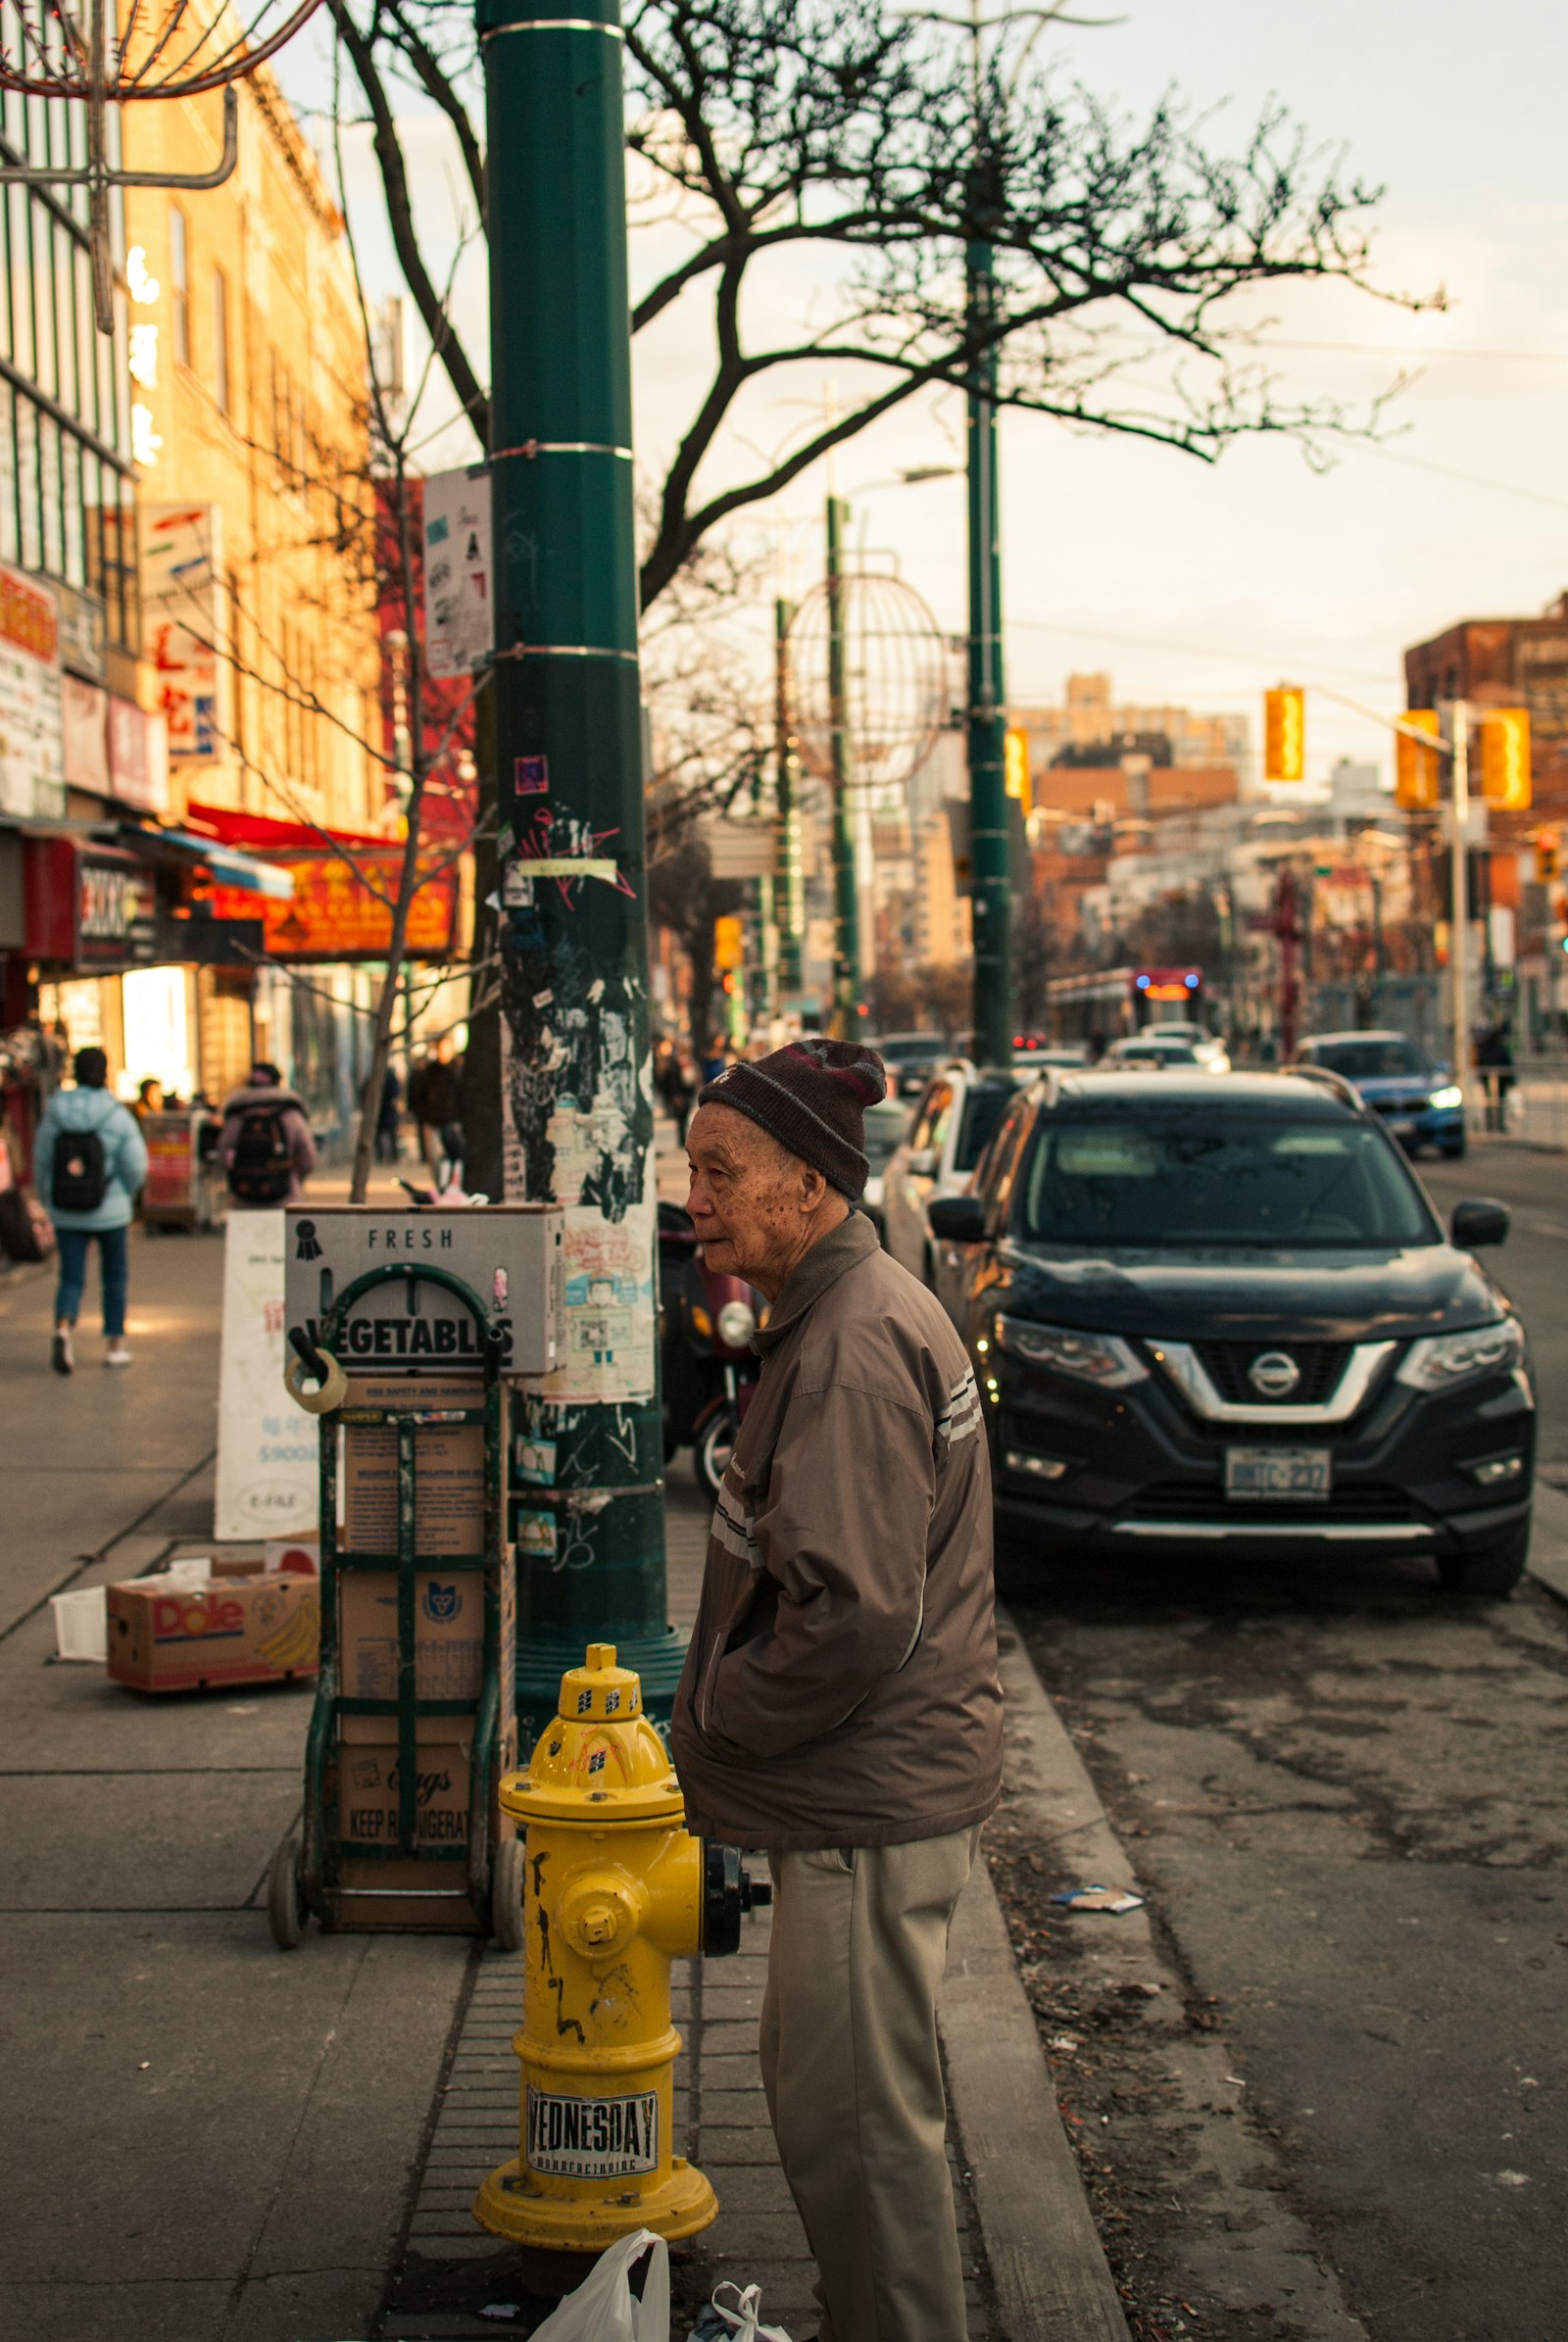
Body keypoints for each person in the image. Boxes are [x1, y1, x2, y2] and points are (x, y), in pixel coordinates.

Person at [670, 1039, 1002, 2342]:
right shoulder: (844, 1315)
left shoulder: (852, 1348)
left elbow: (855, 1617)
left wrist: (719, 1715)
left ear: (807, 1186)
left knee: (858, 2138)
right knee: (846, 2118)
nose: (692, 1192)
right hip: (874, 1789)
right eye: (692, 1164)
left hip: (870, 1802)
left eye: (720, 1168)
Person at [33, 1047, 148, 1373]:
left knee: (70, 1277)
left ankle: (63, 1326)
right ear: (104, 1072)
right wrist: (126, 1194)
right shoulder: (116, 1114)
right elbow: (136, 1164)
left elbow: (41, 1162)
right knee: (114, 1277)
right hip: (111, 1210)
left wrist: (48, 1198)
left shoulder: (54, 1112)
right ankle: (114, 1345)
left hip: (67, 1209)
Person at [218, 1061, 318, 1205]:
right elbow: (308, 1159)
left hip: (243, 1196)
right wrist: (293, 1176)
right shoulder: (290, 1113)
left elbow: (222, 1153)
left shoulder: (237, 1114)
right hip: (285, 1196)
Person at [375, 1062, 403, 1163]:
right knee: (387, 1134)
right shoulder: (377, 1076)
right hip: (382, 1110)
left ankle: (388, 1156)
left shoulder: (388, 1077)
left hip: (385, 1110)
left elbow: (395, 1093)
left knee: (389, 1133)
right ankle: (386, 1156)